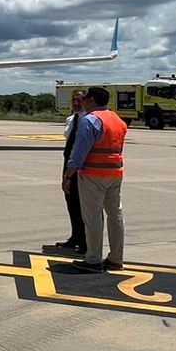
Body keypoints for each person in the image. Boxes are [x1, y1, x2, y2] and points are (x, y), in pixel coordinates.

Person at [61, 86, 127, 273]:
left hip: (93, 174)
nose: (83, 102)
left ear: (92, 100)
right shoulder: (117, 119)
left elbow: (79, 152)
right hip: (115, 173)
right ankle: (116, 258)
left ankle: (93, 258)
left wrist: (68, 175)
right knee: (115, 215)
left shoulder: (90, 120)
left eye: (86, 98)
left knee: (93, 216)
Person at [56, 90, 88, 254]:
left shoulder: (89, 119)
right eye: (74, 99)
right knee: (71, 201)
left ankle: (85, 241)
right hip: (68, 162)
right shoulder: (70, 119)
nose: (76, 102)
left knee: (83, 204)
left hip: (82, 165)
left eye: (80, 99)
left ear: (86, 100)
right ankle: (75, 236)